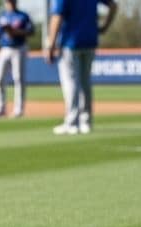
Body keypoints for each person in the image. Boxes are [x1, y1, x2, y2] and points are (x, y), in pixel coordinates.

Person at [45, 0, 117, 135]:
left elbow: (57, 16)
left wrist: (51, 45)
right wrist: (105, 26)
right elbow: (113, 5)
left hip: (70, 43)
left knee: (71, 82)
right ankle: (86, 122)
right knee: (85, 83)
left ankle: (72, 123)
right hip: (90, 40)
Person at [0, 0, 33, 118]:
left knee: (18, 79)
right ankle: (0, 108)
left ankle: (19, 110)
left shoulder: (23, 16)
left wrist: (14, 31)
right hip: (4, 48)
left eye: (12, 1)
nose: (10, 3)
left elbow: (31, 31)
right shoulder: (2, 16)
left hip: (19, 48)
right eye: (8, 1)